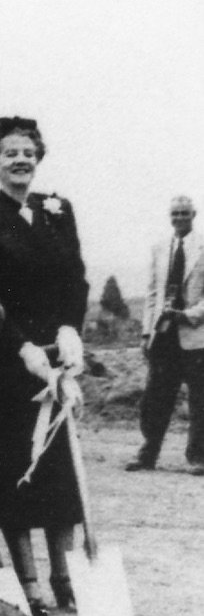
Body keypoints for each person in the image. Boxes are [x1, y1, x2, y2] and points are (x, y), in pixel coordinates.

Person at [0, 116, 88, 616]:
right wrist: (22, 347)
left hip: (57, 355)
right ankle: (30, 582)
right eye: (9, 153)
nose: (20, 160)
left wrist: (70, 328)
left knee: (61, 470)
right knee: (17, 470)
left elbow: (75, 278)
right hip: (10, 361)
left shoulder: (58, 211)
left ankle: (65, 576)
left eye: (28, 152)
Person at [128, 195, 204, 474]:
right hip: (164, 337)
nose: (180, 218)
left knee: (200, 400)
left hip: (197, 337)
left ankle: (198, 457)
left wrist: (188, 315)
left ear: (194, 215)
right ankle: (148, 453)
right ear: (169, 216)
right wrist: (147, 333)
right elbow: (152, 294)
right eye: (175, 214)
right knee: (155, 396)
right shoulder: (160, 248)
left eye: (185, 213)